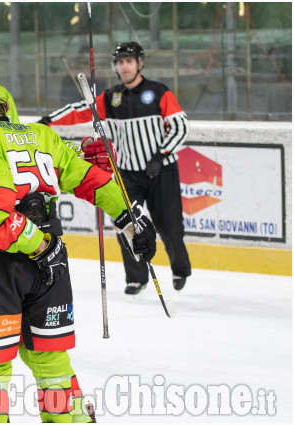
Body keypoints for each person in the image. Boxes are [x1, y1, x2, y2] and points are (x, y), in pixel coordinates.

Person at [0, 81, 157, 422]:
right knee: (50, 357)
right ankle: (74, 418)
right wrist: (130, 218)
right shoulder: (41, 134)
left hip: (2, 262)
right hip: (53, 254)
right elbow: (89, 178)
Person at [38, 41, 191, 295]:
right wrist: (47, 121)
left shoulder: (159, 91)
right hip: (128, 173)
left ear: (139, 64)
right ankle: (136, 277)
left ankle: (180, 268)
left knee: (169, 226)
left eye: (129, 61)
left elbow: (180, 126)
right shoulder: (111, 98)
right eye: (120, 62)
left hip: (161, 171)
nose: (125, 66)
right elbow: (81, 110)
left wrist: (160, 155)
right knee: (126, 222)